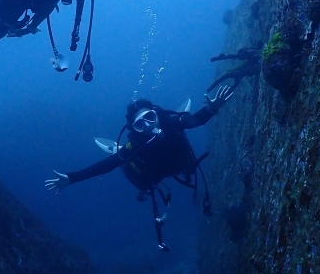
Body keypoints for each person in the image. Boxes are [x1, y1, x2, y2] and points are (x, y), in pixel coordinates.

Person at [45, 85, 235, 250]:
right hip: (150, 173)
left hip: (177, 164)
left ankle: (123, 151)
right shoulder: (135, 143)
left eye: (150, 117)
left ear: (156, 113)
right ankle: (116, 148)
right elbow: (107, 166)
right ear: (134, 128)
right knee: (130, 169)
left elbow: (193, 121)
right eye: (139, 124)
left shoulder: (170, 121)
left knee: (179, 132)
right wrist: (72, 178)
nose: (147, 125)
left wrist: (211, 109)